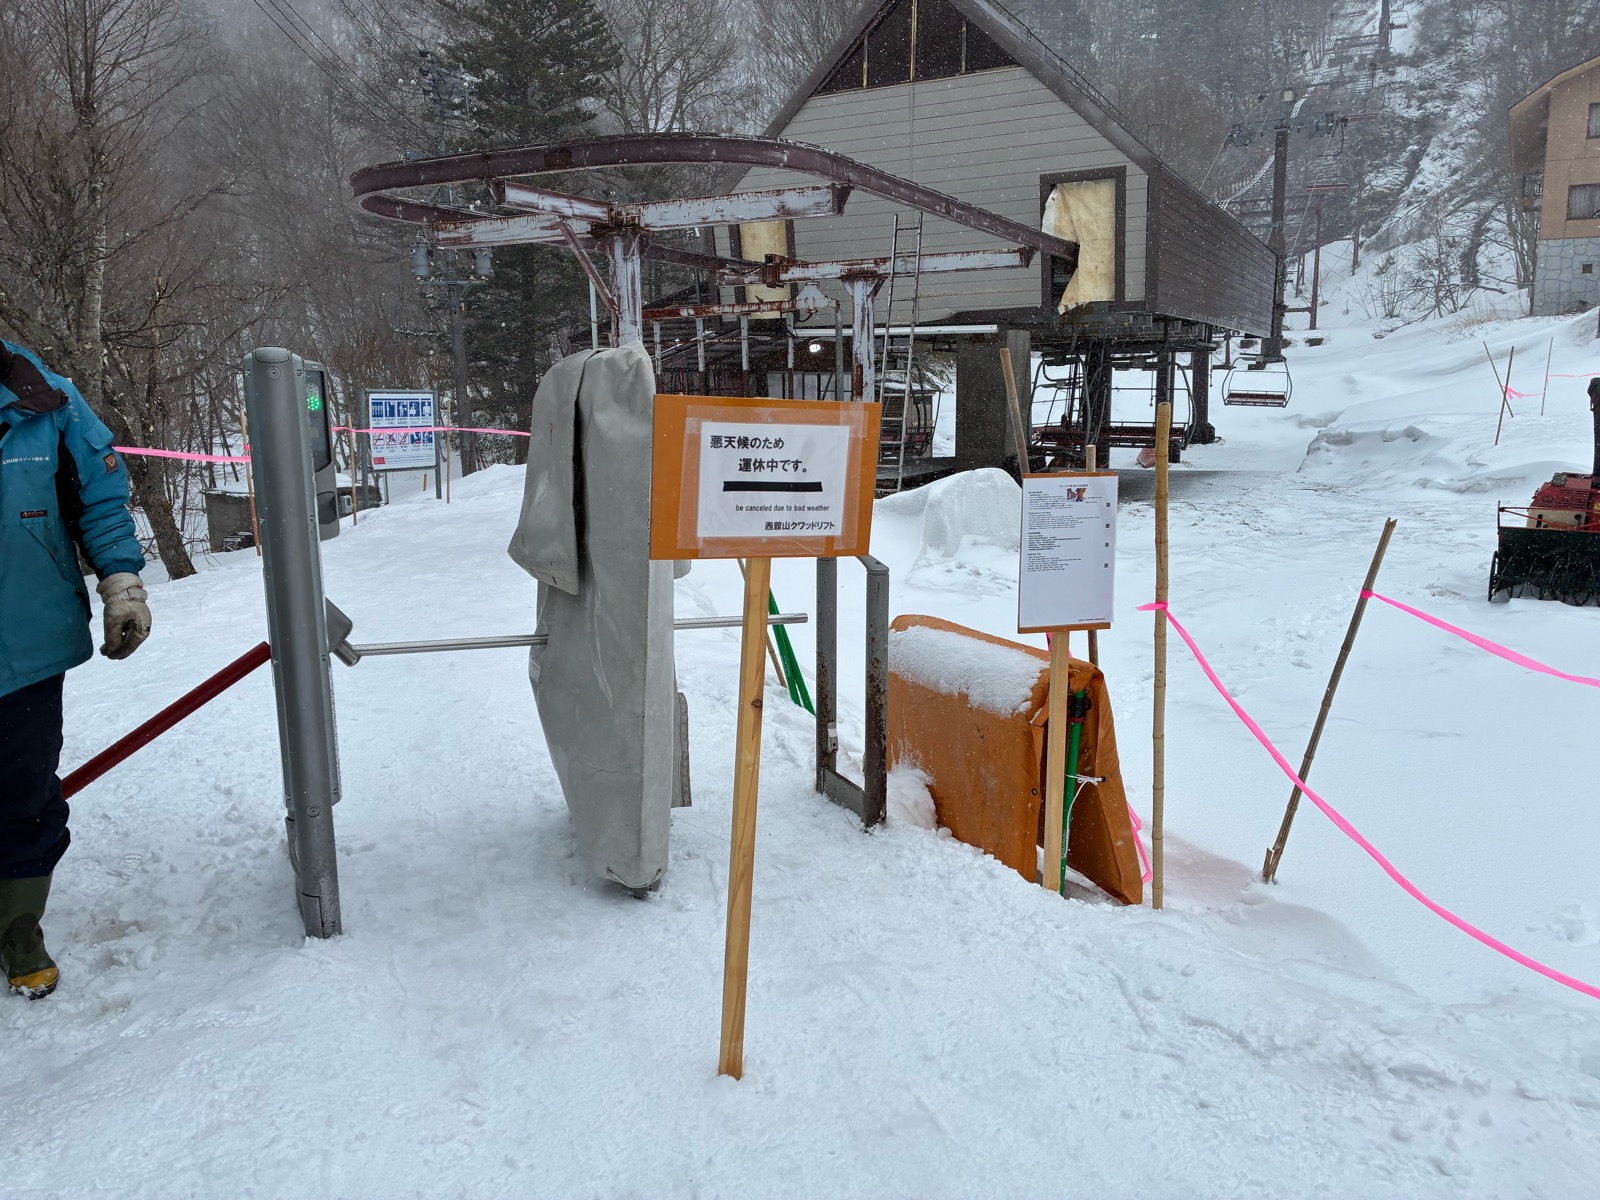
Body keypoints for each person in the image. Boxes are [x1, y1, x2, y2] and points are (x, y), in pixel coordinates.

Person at [0, 340, 151, 998]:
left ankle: (18, 925)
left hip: (24, 641)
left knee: (24, 789)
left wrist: (122, 582)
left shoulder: (47, 399)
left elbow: (101, 498)